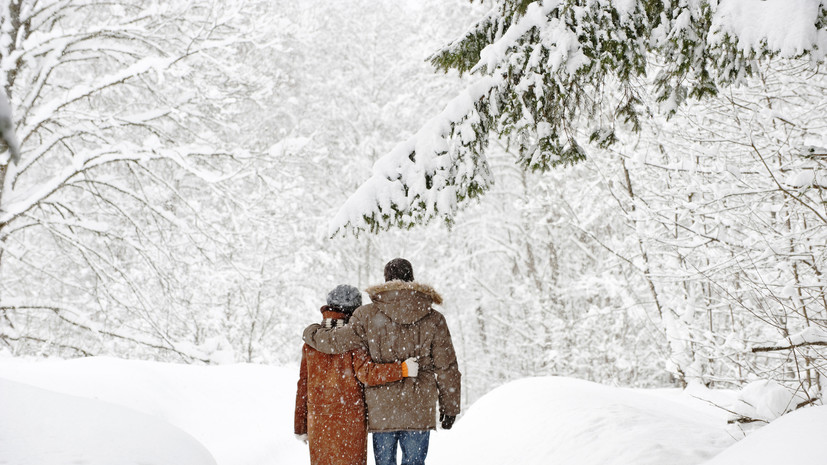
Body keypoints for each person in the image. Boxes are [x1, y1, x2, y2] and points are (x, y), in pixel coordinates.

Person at [303, 259, 461, 465]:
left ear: (386, 280)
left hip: (382, 411)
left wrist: (311, 333)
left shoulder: (366, 315)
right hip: (419, 409)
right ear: (411, 279)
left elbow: (336, 342)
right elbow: (447, 367)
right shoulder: (434, 319)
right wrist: (450, 408)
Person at [294, 284, 420, 465]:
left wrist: (301, 425)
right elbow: (367, 373)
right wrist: (402, 369)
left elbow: (303, 384)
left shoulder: (312, 342)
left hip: (319, 420)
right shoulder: (354, 340)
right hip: (350, 420)